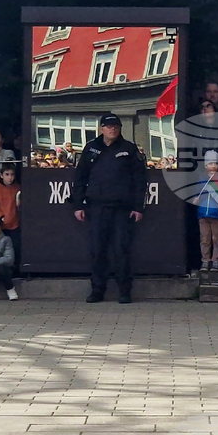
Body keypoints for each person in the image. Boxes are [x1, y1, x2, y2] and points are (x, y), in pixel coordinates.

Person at [71, 113, 147, 304]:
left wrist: (138, 207)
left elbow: (140, 180)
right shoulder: (91, 148)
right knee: (98, 250)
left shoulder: (129, 149)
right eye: (108, 126)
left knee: (121, 250)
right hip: (96, 207)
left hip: (122, 208)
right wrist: (78, 204)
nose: (112, 129)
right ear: (101, 129)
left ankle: (124, 291)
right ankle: (97, 290)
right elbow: (80, 178)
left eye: (116, 126)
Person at [192, 150, 218, 274]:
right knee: (205, 239)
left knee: (216, 239)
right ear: (206, 165)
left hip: (217, 214)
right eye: (210, 163)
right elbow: (197, 192)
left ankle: (216, 260)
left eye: (216, 163)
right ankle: (205, 260)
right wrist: (195, 199)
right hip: (203, 214)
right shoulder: (202, 179)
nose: (213, 166)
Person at [0, 164, 21, 269]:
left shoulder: (18, 187)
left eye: (12, 175)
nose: (10, 177)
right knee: (1, 249)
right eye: (7, 174)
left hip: (15, 223)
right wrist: (1, 216)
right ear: (1, 175)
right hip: (1, 225)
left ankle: (15, 269)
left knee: (16, 247)